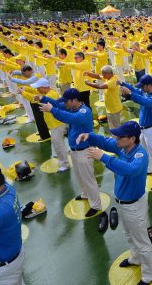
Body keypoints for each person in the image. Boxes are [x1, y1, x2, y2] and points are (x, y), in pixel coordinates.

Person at [76, 122, 152, 285]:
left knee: (142, 240)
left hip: (134, 205)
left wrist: (104, 157)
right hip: (123, 203)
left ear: (132, 139)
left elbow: (130, 170)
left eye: (120, 136)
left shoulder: (140, 155)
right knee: (128, 233)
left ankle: (149, 274)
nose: (116, 139)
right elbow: (105, 142)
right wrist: (89, 136)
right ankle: (135, 258)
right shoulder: (122, 146)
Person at [38, 88, 105, 226]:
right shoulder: (72, 107)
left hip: (84, 151)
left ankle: (96, 205)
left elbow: (68, 117)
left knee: (88, 178)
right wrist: (44, 99)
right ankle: (85, 194)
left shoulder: (83, 112)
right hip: (75, 150)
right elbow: (58, 104)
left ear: (74, 100)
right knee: (80, 176)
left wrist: (52, 110)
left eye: (66, 101)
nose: (65, 104)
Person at [120, 75, 152, 191]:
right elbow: (136, 90)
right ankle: (150, 169)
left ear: (148, 86)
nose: (141, 88)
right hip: (143, 129)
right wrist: (123, 84)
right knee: (146, 151)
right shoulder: (145, 92)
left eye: (143, 86)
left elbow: (145, 101)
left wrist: (130, 95)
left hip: (151, 129)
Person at [22, 78, 69, 172]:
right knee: (58, 143)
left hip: (57, 125)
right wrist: (25, 90)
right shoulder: (48, 93)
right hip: (54, 124)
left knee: (58, 144)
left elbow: (35, 99)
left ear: (44, 87)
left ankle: (64, 163)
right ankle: (61, 157)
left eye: (38, 88)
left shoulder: (50, 95)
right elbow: (35, 96)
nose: (37, 89)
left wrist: (24, 93)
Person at [84, 65, 123, 130]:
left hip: (114, 108)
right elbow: (98, 76)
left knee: (116, 127)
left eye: (103, 74)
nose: (103, 76)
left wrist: (88, 83)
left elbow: (100, 86)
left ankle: (117, 139)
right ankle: (114, 137)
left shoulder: (113, 81)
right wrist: (88, 74)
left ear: (109, 74)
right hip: (110, 107)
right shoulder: (109, 77)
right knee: (112, 125)